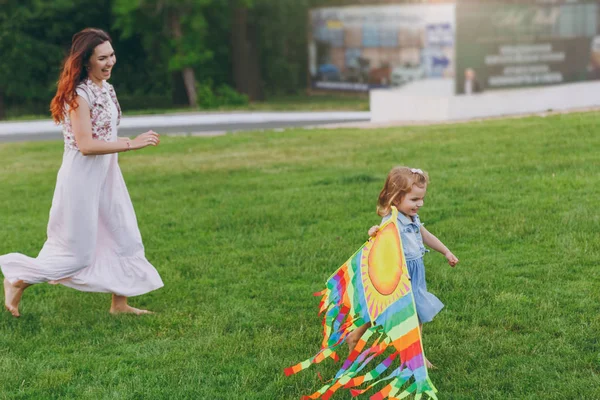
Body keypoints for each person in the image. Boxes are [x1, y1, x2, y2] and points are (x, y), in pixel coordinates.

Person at [1, 28, 163, 317]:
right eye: (102, 58)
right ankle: (18, 278)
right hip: (81, 178)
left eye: (112, 55)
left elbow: (106, 132)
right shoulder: (79, 95)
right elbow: (86, 145)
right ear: (86, 61)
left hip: (107, 173)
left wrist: (121, 149)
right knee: (78, 254)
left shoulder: (106, 88)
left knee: (125, 235)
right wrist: (131, 144)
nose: (110, 62)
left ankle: (120, 305)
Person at [346, 166, 459, 368]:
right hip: (400, 274)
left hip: (415, 274)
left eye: (421, 199)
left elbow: (426, 236)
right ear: (396, 199)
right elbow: (378, 236)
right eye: (414, 200)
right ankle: (358, 337)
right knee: (388, 310)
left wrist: (446, 251)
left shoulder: (412, 217)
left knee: (417, 314)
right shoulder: (391, 221)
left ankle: (414, 355)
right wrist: (374, 231)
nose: (420, 204)